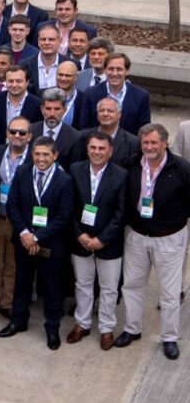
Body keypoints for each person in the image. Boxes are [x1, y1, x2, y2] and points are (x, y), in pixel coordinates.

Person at [115, 124, 190, 360]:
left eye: (154, 143)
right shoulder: (131, 164)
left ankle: (169, 337)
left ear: (165, 143)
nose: (149, 147)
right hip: (136, 235)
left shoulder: (181, 169)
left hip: (169, 238)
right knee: (133, 285)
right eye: (145, 143)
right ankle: (131, 329)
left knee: (169, 292)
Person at [1, 136, 74, 350]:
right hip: (23, 240)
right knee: (22, 282)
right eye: (37, 154)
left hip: (50, 243)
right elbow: (12, 205)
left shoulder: (65, 180)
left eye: (45, 154)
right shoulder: (23, 172)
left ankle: (52, 328)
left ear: (55, 156)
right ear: (32, 155)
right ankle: (18, 320)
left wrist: (36, 237)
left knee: (51, 288)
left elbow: (64, 216)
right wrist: (25, 233)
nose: (41, 159)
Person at [67, 132, 128, 350]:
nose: (97, 152)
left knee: (109, 288)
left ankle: (106, 328)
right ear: (87, 149)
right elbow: (69, 207)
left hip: (108, 243)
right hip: (80, 240)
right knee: (82, 285)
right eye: (93, 147)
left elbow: (121, 214)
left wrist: (102, 239)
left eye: (102, 149)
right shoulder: (75, 170)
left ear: (110, 151)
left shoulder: (121, 175)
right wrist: (79, 235)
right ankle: (82, 324)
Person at [0, 116, 31, 319]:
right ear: (7, 134)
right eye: (13, 132)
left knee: (13, 265)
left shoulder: (34, 157)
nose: (17, 136)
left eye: (22, 132)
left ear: (29, 136)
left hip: (20, 221)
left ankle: (7, 303)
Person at [78, 52, 151, 134]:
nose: (114, 73)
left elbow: (143, 130)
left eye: (119, 69)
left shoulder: (141, 96)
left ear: (127, 71)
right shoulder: (91, 93)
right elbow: (85, 127)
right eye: (111, 69)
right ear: (105, 70)